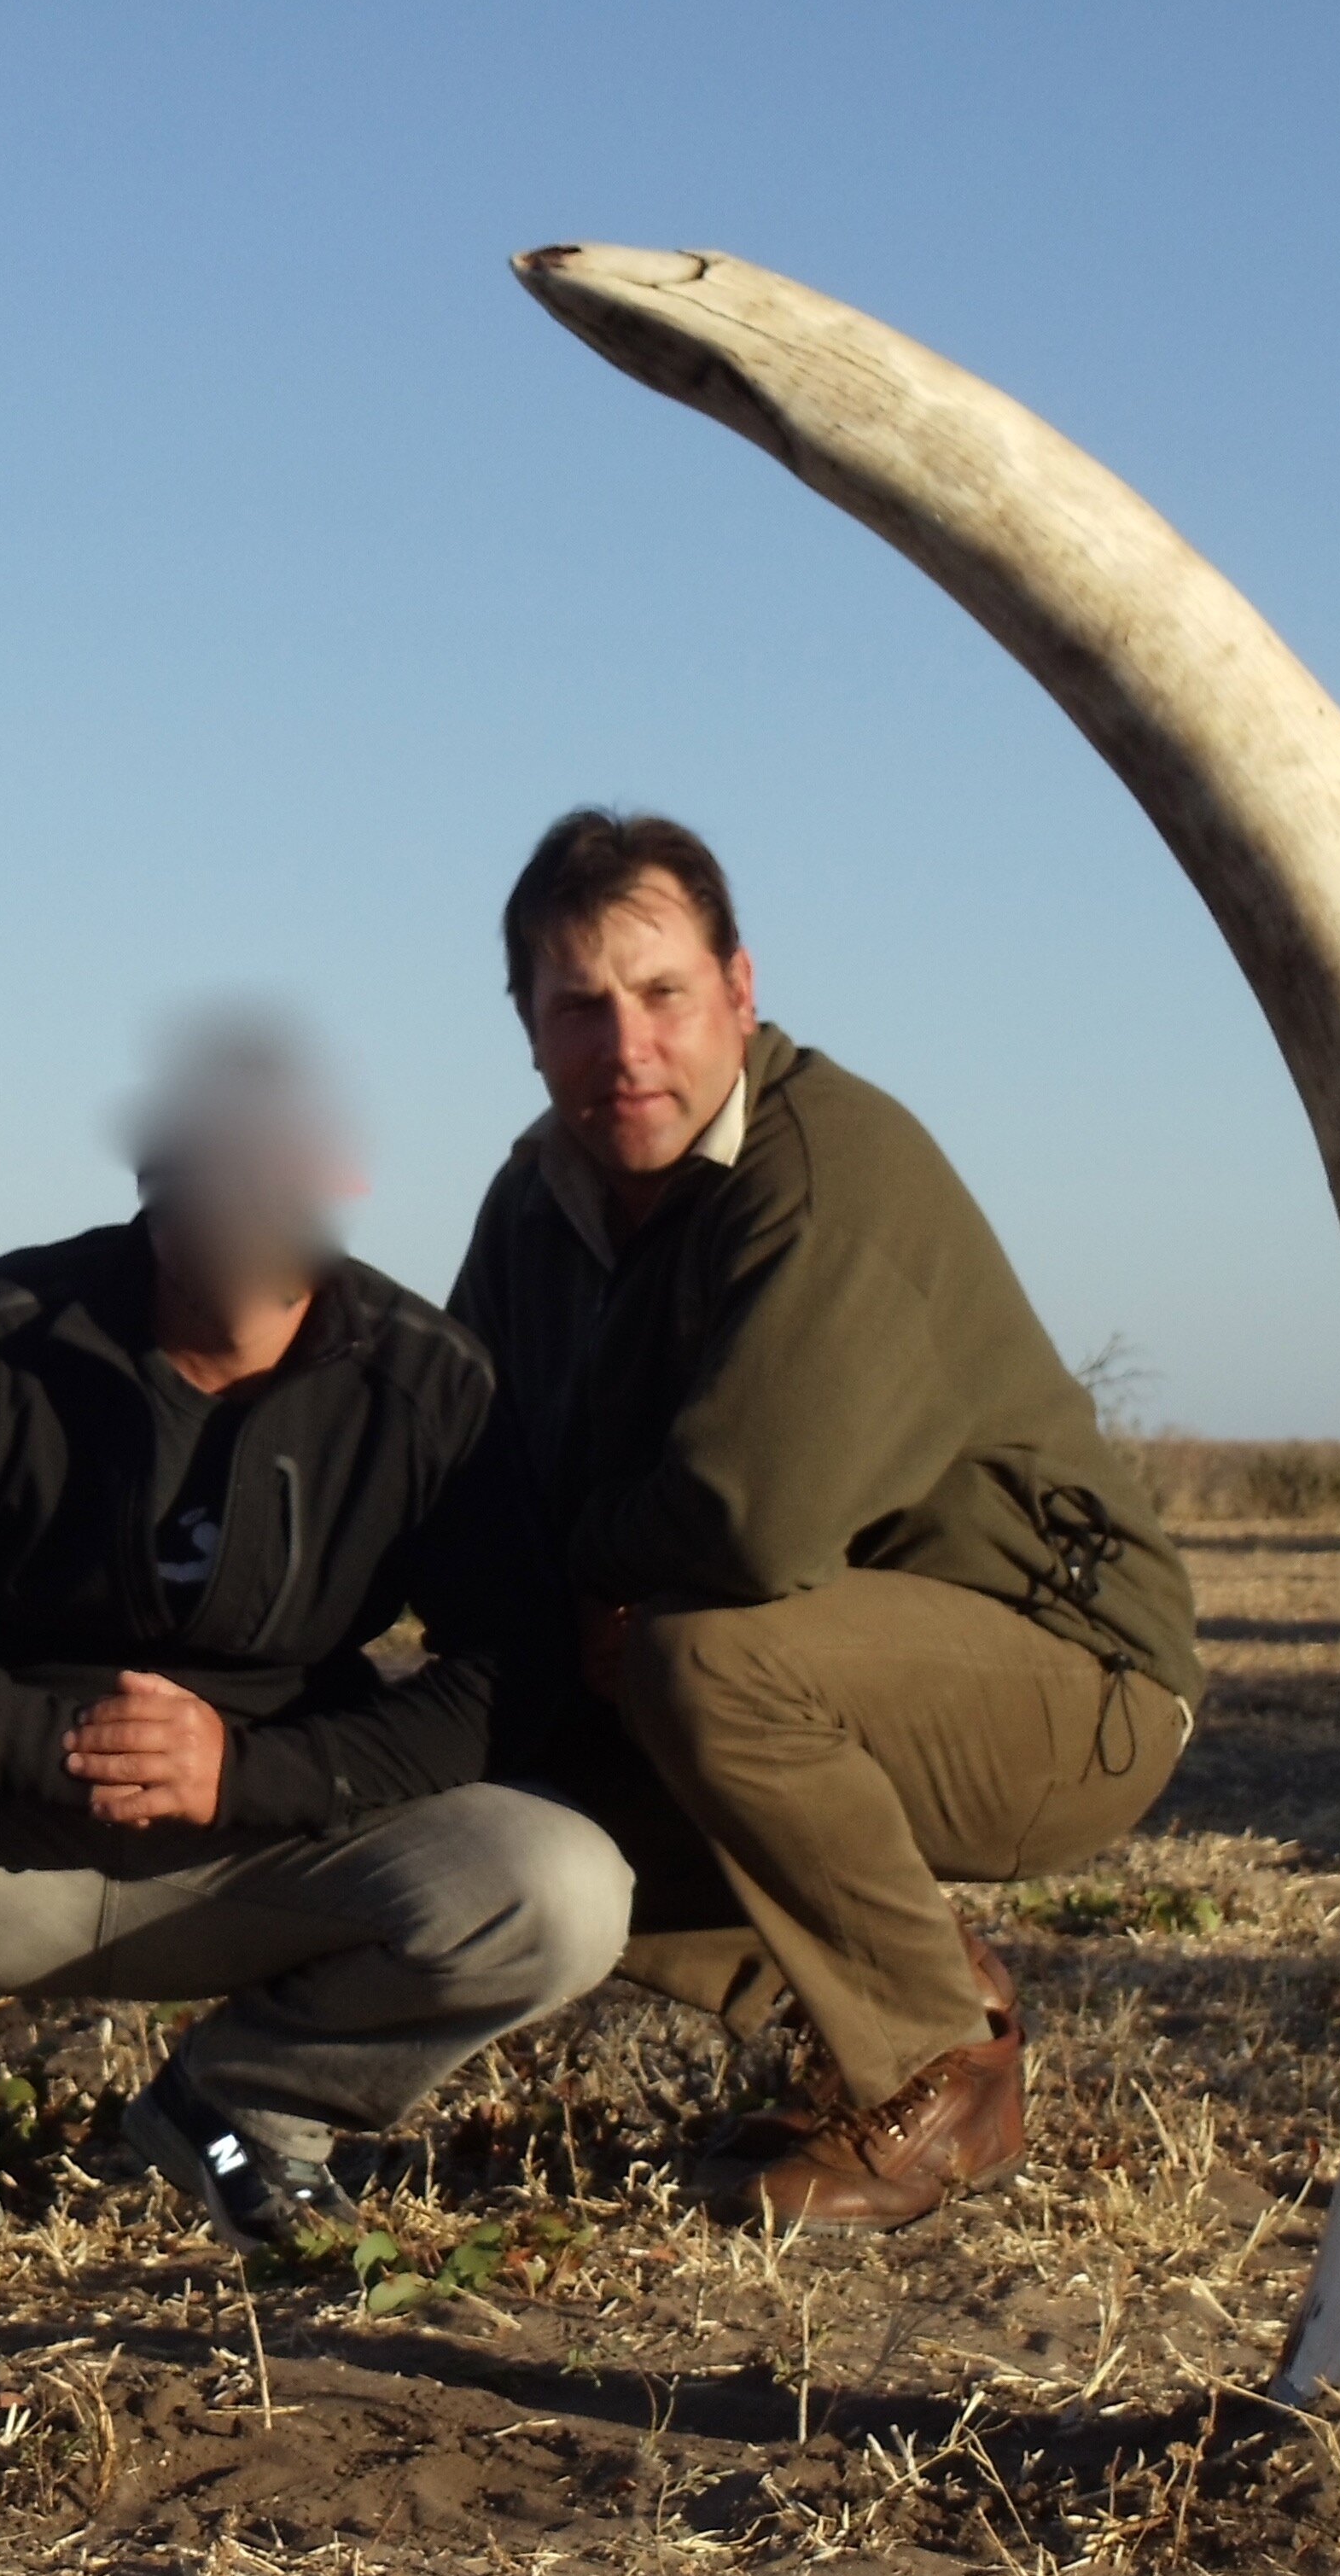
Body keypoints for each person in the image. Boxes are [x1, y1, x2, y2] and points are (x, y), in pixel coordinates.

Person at [0, 1021, 631, 2289]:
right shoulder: (3, 1332)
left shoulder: (428, 1385)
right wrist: (33, 1740)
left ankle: (243, 2110)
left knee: (560, 1882)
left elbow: (511, 1675)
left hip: (253, 1862)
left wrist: (243, 1774)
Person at [449, 810, 1203, 2234]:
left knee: (703, 1658)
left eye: (664, 994)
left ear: (740, 990)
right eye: (580, 1008)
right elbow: (462, 1472)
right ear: (528, 1029)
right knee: (470, 1736)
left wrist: (589, 1580)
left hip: (1076, 1684)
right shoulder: (527, 1205)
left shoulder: (832, 1168)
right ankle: (905, 1981)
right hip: (790, 1659)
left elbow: (751, 1525)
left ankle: (936, 2073)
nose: (628, 1047)